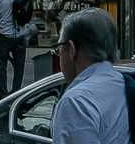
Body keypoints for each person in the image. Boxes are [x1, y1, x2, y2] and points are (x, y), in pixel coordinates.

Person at [51, 8, 129, 144]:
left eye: (59, 48)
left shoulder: (76, 102)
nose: (58, 55)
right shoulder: (122, 83)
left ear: (72, 50)